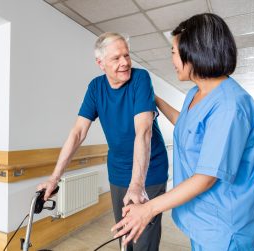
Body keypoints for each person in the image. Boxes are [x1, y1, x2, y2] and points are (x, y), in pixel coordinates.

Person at [112, 13, 254, 251]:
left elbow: (206, 177)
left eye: (173, 52)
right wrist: (153, 99)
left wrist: (149, 209)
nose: (171, 59)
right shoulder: (196, 93)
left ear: (194, 52)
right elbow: (187, 125)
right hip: (201, 220)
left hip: (225, 228)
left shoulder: (230, 105)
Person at [37, 32, 168, 251]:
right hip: (118, 170)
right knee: (125, 236)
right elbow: (78, 132)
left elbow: (143, 132)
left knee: (143, 238)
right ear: (101, 63)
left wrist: (137, 184)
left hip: (150, 171)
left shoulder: (140, 79)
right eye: (116, 58)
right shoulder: (96, 88)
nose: (125, 62)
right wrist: (54, 178)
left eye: (126, 55)